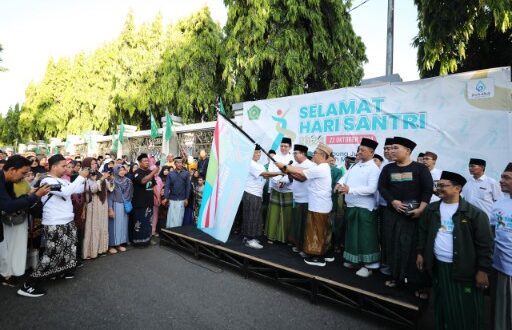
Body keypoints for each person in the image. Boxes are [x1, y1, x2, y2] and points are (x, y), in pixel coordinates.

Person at [417, 171, 493, 330]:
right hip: (438, 265)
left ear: (457, 188)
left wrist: (483, 270)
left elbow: (485, 245)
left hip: (463, 268)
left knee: (464, 308)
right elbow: (422, 232)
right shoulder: (432, 209)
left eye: (443, 185)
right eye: (438, 185)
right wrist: (420, 253)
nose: (439, 188)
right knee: (441, 303)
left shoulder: (475, 214)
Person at [18, 154, 88, 298]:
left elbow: (77, 190)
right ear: (54, 166)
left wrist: (85, 178)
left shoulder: (61, 180)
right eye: (63, 166)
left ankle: (58, 272)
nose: (66, 169)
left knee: (67, 249)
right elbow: (66, 192)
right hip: (55, 222)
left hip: (67, 220)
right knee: (52, 253)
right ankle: (29, 285)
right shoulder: (47, 180)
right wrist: (81, 176)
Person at [378, 136, 433, 287]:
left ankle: (416, 282)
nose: (392, 151)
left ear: (408, 151)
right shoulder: (388, 168)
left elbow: (427, 190)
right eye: (391, 148)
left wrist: (421, 209)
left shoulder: (420, 168)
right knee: (393, 244)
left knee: (412, 247)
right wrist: (393, 201)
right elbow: (382, 187)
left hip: (413, 215)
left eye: (396, 148)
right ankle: (396, 277)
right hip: (393, 214)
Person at [277, 143, 333, 267]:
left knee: (317, 231)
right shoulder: (321, 167)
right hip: (318, 204)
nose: (313, 155)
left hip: (319, 205)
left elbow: (300, 172)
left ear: (323, 155)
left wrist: (284, 166)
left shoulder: (321, 167)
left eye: (316, 153)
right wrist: (286, 169)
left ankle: (317, 258)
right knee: (319, 230)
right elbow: (300, 174)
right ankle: (321, 253)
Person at [0, 156, 50, 287]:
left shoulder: (8, 181)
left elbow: (12, 202)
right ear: (12, 170)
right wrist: (35, 196)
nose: (23, 178)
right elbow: (8, 206)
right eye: (22, 173)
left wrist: (28, 196)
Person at [336, 138, 381, 277]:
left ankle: (369, 266)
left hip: (365, 208)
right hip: (351, 205)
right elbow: (344, 178)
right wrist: (339, 184)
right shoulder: (355, 165)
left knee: (366, 237)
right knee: (353, 235)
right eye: (359, 149)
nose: (359, 152)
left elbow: (372, 189)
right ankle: (354, 260)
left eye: (363, 150)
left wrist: (351, 190)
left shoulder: (374, 168)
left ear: (372, 152)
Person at [242, 145, 282, 249]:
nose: (258, 154)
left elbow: (265, 176)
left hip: (257, 194)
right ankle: (249, 240)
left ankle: (248, 237)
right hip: (251, 193)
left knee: (254, 216)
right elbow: (266, 174)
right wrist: (280, 172)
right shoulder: (250, 163)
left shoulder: (259, 164)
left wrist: (279, 174)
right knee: (251, 216)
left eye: (259, 152)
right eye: (255, 153)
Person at [490, 163, 512, 330]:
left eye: (506, 178)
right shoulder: (499, 204)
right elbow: (492, 233)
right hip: (500, 268)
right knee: (501, 312)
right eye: (502, 177)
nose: (501, 181)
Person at [266, 137, 294, 243]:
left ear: (290, 147)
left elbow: (292, 173)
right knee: (274, 213)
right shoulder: (275, 157)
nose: (283, 148)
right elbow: (270, 171)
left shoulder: (293, 159)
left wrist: (284, 181)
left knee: (287, 215)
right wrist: (277, 181)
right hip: (275, 188)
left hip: (288, 190)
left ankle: (284, 238)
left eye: (286, 146)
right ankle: (271, 236)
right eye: (282, 146)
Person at [82, 158, 111, 259]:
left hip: (102, 204)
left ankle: (101, 249)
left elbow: (109, 188)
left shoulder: (99, 173)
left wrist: (109, 179)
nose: (95, 165)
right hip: (93, 204)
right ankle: (91, 252)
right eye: (92, 163)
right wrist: (102, 179)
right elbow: (92, 189)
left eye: (95, 163)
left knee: (102, 225)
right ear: (87, 165)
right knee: (93, 227)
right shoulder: (85, 177)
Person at [288, 144, 315, 254]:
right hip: (296, 197)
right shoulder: (294, 164)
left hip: (306, 199)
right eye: (293, 153)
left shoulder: (310, 165)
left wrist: (288, 171)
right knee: (297, 224)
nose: (294, 155)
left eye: (296, 153)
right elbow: (291, 178)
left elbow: (302, 178)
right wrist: (288, 173)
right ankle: (298, 245)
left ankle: (304, 248)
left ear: (303, 154)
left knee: (304, 225)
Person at [131, 153, 159, 247]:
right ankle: (138, 242)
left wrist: (157, 197)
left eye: (148, 161)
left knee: (148, 222)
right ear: (139, 162)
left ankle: (147, 240)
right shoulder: (137, 173)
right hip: (140, 203)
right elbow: (143, 181)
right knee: (139, 223)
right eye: (145, 161)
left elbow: (154, 186)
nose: (147, 162)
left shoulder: (149, 172)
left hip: (149, 202)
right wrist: (153, 172)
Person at [108, 165, 133, 253]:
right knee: (114, 226)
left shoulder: (128, 181)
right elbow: (110, 196)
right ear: (115, 171)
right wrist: (110, 208)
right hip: (115, 204)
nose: (122, 171)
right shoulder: (112, 181)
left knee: (122, 225)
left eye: (123, 170)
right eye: (120, 170)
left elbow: (130, 194)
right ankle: (111, 245)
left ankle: (119, 244)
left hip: (125, 205)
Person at [165, 157, 190, 228]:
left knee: (179, 218)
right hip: (172, 198)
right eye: (178, 162)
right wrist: (166, 197)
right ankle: (170, 233)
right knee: (171, 217)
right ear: (175, 163)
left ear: (182, 164)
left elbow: (188, 187)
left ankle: (177, 233)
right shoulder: (170, 174)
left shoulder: (186, 174)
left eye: (181, 163)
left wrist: (187, 198)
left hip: (182, 199)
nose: (179, 164)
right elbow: (167, 186)